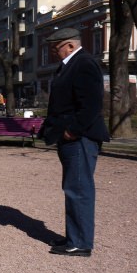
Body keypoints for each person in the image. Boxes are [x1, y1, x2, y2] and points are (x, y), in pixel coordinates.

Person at [39, 27, 110, 258]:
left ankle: (80, 242)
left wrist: (73, 131)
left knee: (79, 189)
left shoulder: (84, 64)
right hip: (71, 137)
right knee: (73, 188)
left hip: (80, 139)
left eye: (55, 47)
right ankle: (74, 236)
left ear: (69, 45)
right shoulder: (69, 65)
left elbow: (90, 104)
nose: (53, 51)